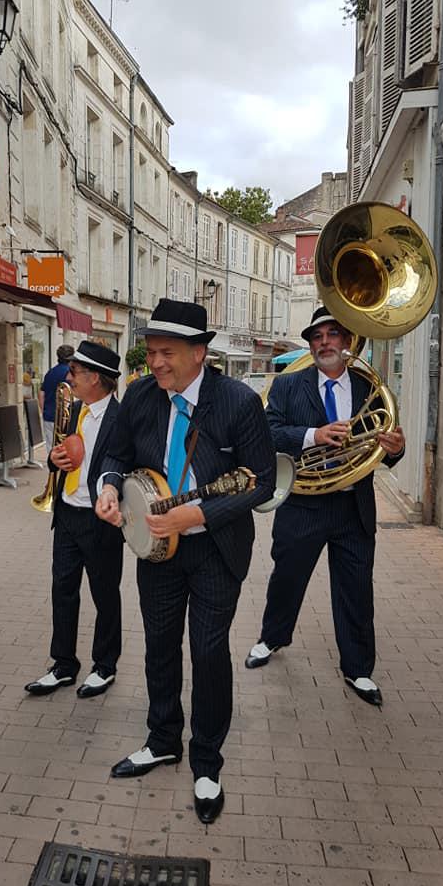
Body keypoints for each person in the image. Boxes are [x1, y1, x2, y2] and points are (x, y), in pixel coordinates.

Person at [96, 299, 276, 824]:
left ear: (200, 353)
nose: (155, 363)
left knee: (209, 649)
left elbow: (261, 482)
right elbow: (115, 454)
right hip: (154, 548)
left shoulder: (239, 403)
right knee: (159, 644)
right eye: (150, 352)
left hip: (215, 548)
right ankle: (162, 739)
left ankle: (207, 762)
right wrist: (109, 488)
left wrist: (196, 515)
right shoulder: (140, 396)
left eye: (167, 353)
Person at [244, 306, 405, 708]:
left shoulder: (370, 390)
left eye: (333, 334)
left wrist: (395, 452)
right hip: (304, 504)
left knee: (355, 590)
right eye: (317, 337)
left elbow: (378, 447)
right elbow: (269, 432)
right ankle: (272, 637)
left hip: (354, 507)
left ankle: (358, 668)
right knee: (287, 578)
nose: (325, 343)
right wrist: (314, 434)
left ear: (349, 341)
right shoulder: (288, 386)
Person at [26, 341, 124, 699]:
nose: (68, 378)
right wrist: (54, 459)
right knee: (62, 590)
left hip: (101, 520)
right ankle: (63, 664)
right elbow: (60, 455)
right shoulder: (73, 410)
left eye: (75, 372)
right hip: (67, 514)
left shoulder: (122, 418)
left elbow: (127, 466)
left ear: (95, 378)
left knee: (105, 594)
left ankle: (105, 665)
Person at [39, 345, 74, 451]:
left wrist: (44, 411)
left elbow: (41, 394)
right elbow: (67, 396)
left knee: (51, 448)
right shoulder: (69, 373)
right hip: (62, 418)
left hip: (48, 416)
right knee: (64, 449)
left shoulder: (50, 372)